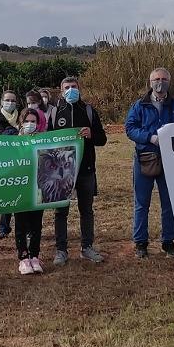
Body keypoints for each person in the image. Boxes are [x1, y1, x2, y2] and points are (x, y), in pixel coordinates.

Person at [121, 69, 174, 260]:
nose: (160, 82)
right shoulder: (139, 105)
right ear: (150, 82)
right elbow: (130, 129)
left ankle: (168, 242)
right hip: (145, 158)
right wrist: (150, 137)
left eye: (164, 79)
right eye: (156, 79)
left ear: (169, 81)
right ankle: (140, 243)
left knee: (169, 202)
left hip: (170, 160)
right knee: (142, 203)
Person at [46, 75, 108, 265]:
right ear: (61, 89)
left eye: (74, 86)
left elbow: (102, 139)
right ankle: (61, 250)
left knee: (86, 210)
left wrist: (91, 134)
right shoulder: (55, 113)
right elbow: (46, 141)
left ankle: (87, 247)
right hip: (62, 172)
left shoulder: (89, 110)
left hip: (86, 169)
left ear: (79, 88)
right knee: (61, 212)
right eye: (67, 87)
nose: (71, 90)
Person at [13, 108, 46, 275]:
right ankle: (23, 257)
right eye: (27, 121)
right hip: (19, 188)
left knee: (36, 224)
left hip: (38, 187)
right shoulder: (12, 142)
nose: (30, 124)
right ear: (21, 122)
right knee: (21, 223)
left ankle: (35, 255)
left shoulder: (43, 140)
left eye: (33, 121)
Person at [0, 90, 20, 239]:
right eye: (7, 100)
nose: (10, 103)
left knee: (22, 194)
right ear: (1, 101)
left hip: (22, 160)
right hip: (4, 161)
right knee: (7, 196)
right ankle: (4, 228)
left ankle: (24, 227)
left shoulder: (22, 116)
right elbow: (0, 136)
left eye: (13, 100)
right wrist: (18, 132)